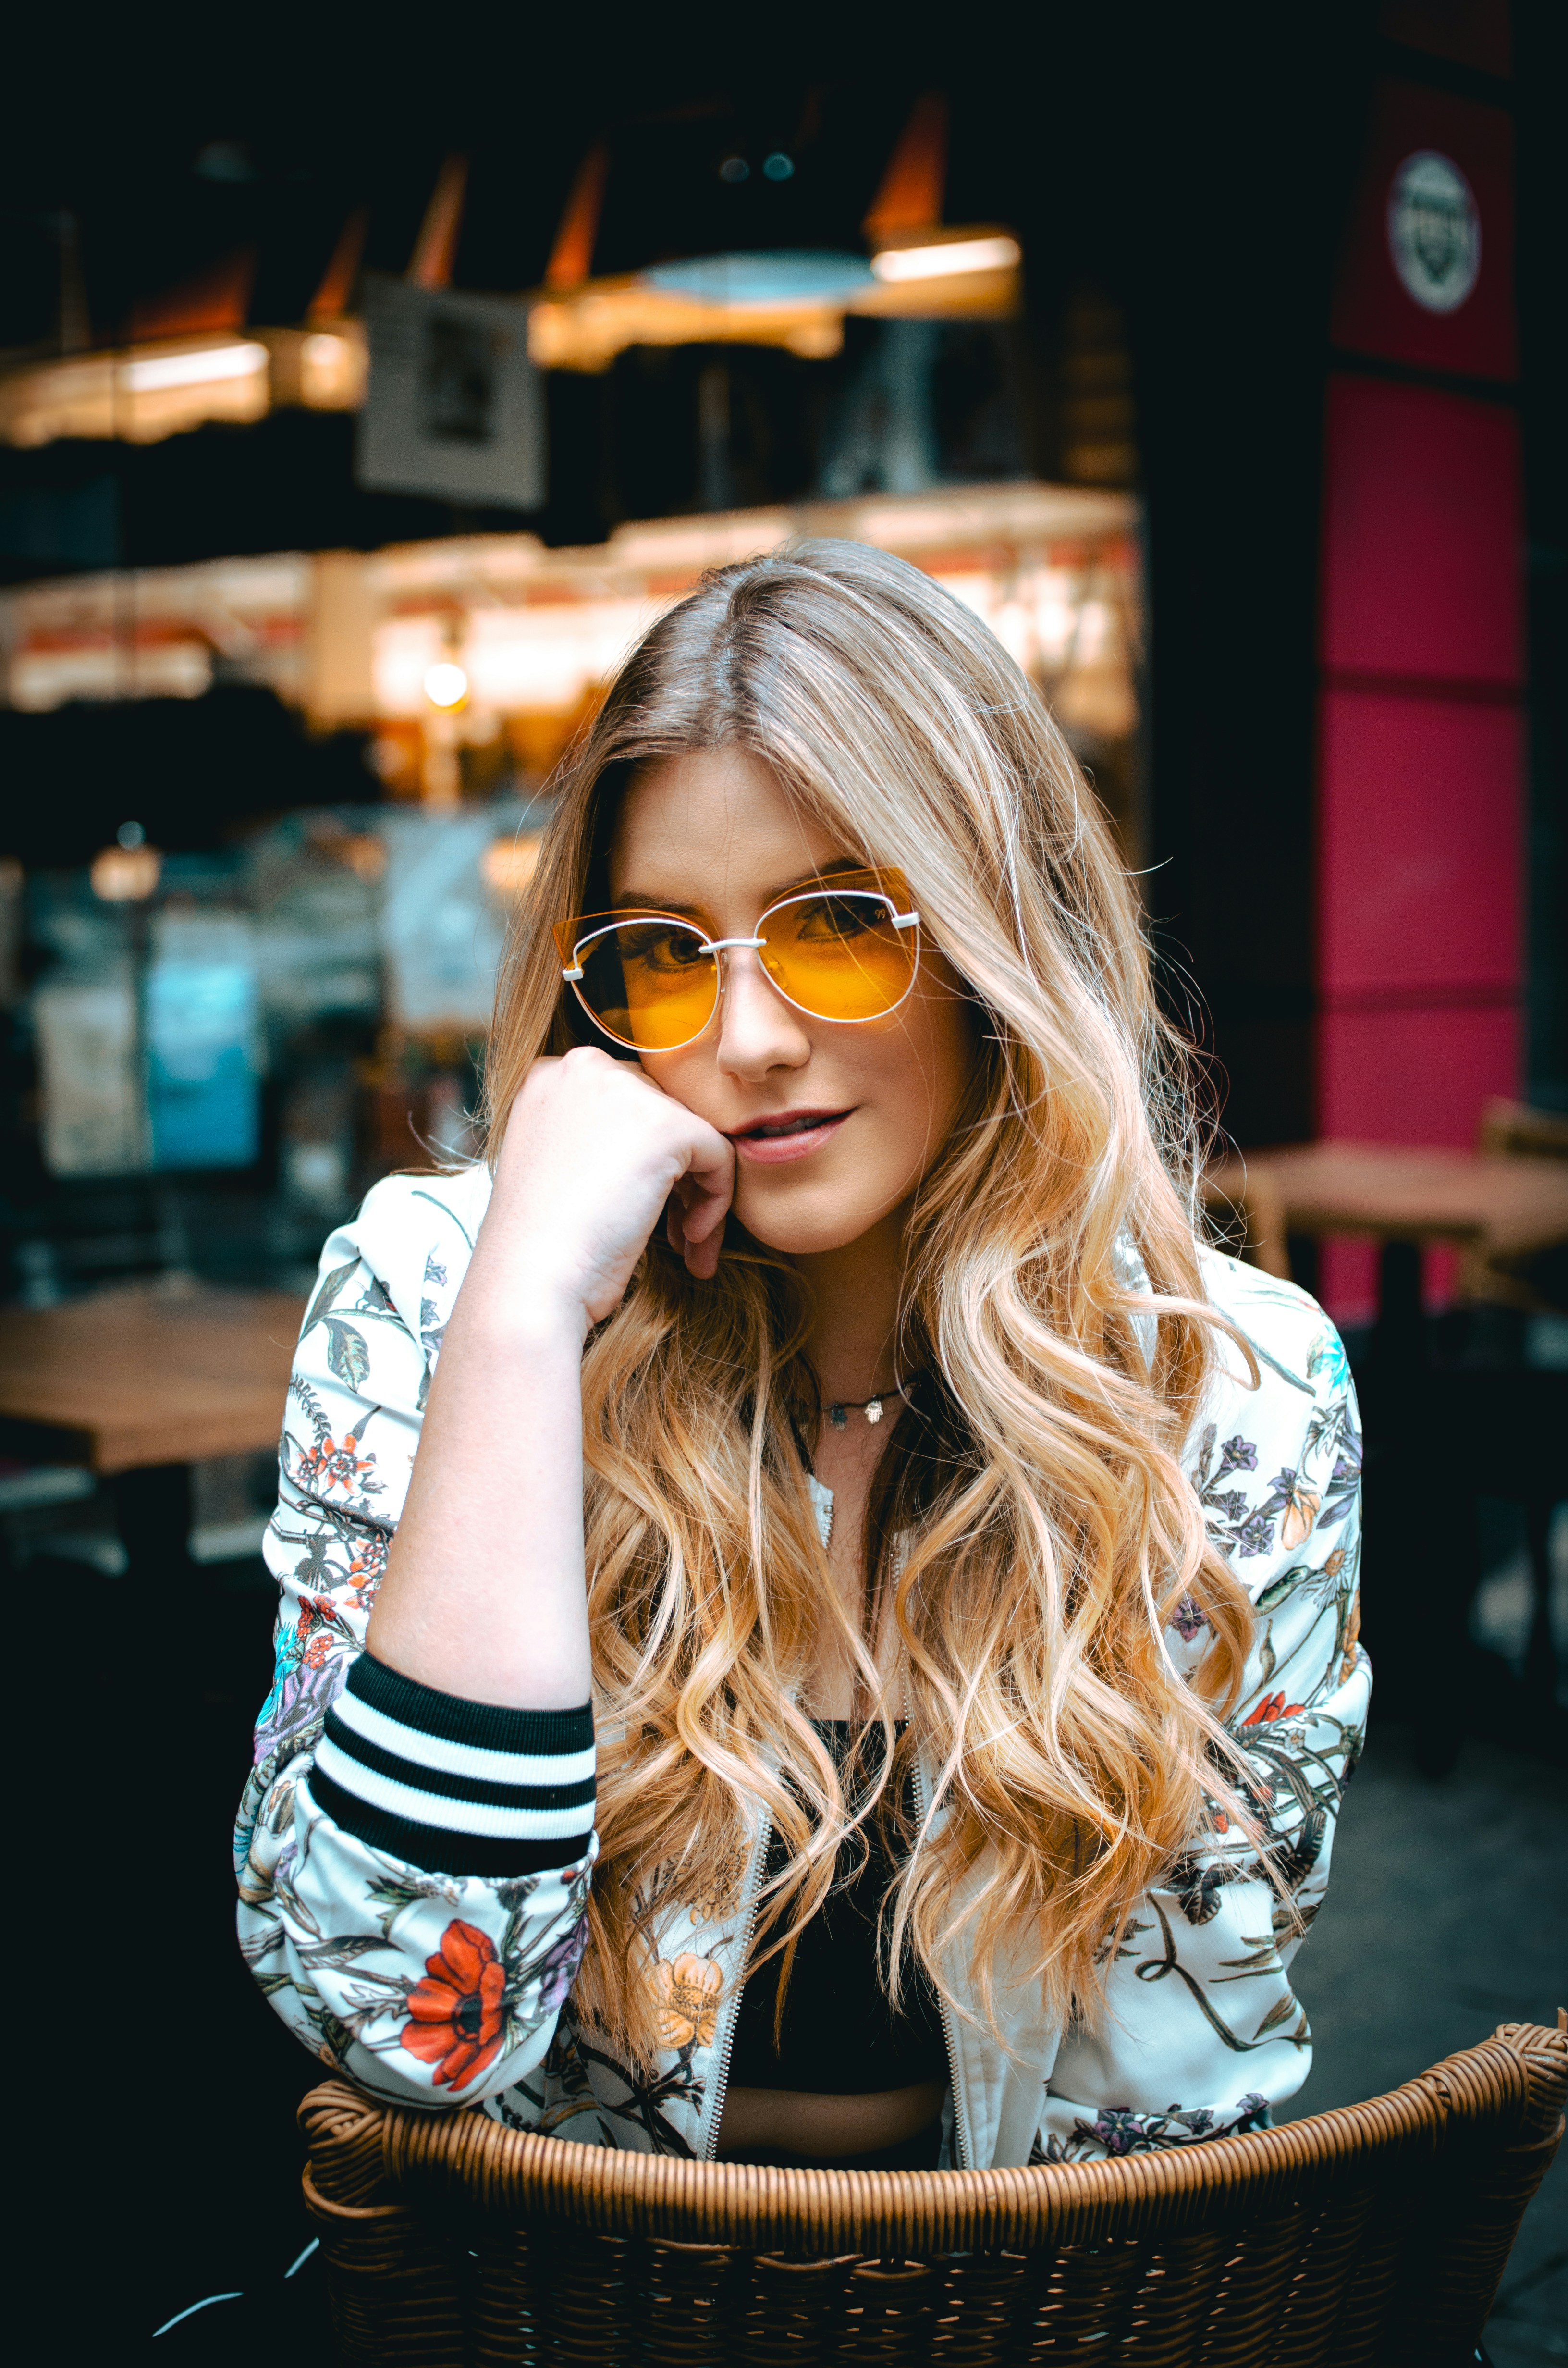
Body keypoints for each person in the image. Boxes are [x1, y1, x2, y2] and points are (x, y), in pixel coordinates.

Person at [237, 542, 1367, 2170]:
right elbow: (399, 2021)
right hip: (558, 2314)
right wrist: (519, 1327)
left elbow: (1165, 2103)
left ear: (995, 939)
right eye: (664, 954)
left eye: (838, 926)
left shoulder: (1222, 1392)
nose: (751, 1039)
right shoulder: (441, 1299)